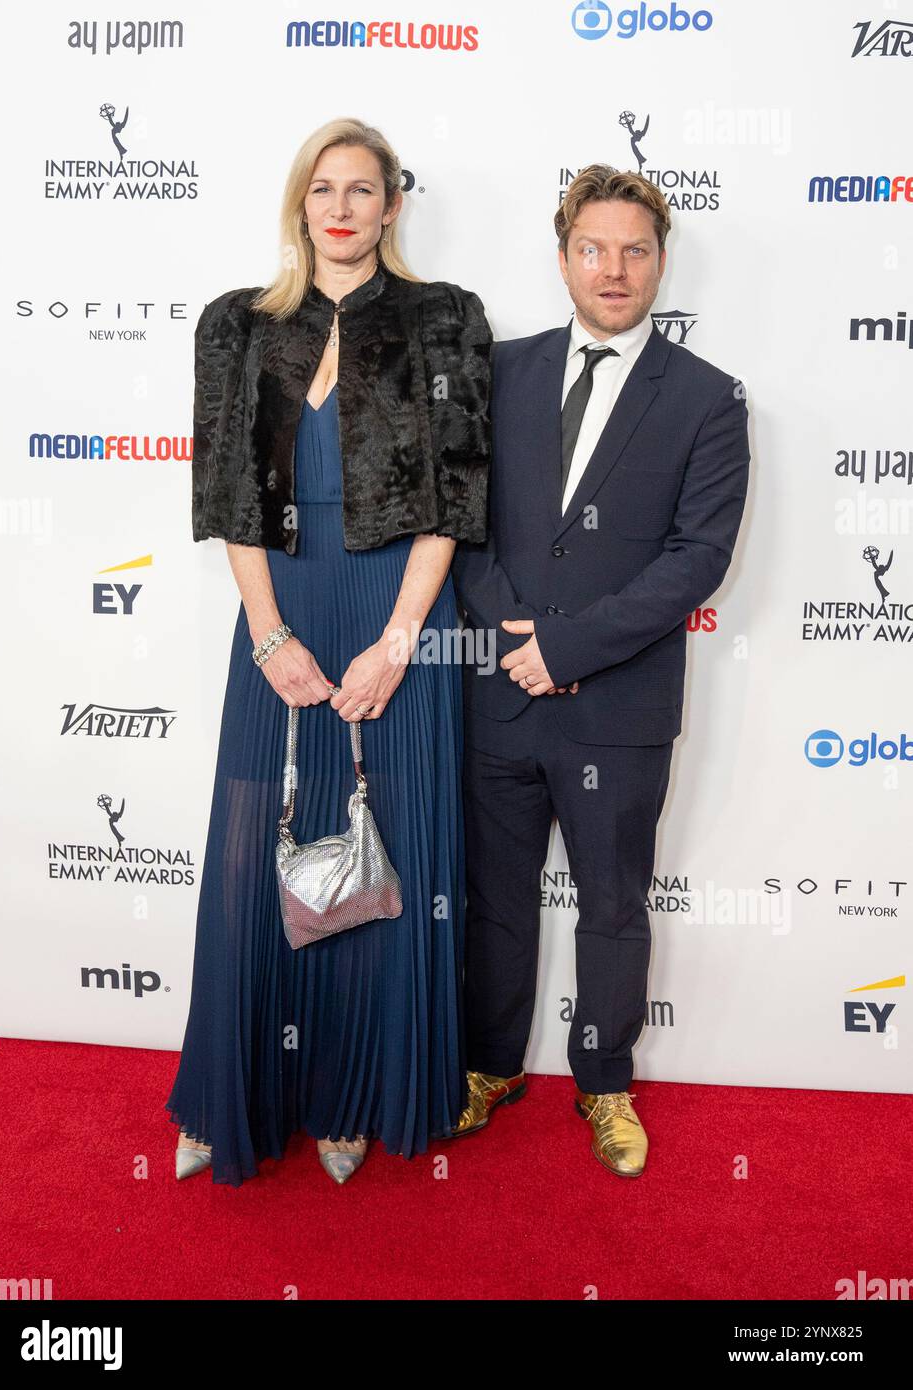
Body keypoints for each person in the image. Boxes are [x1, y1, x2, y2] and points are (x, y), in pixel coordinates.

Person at [165, 118, 492, 1185]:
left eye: (364, 189)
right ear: (299, 204)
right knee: (261, 842)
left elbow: (453, 500)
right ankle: (235, 1094)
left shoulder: (444, 319)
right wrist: (269, 636)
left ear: (393, 205)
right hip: (282, 610)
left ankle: (352, 1094)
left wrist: (399, 642)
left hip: (401, 610)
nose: (343, 207)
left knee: (382, 850)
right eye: (324, 189)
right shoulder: (238, 326)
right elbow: (229, 502)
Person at [449, 164, 750, 1177]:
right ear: (564, 255)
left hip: (616, 707)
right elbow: (466, 529)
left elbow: (695, 560)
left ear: (661, 261)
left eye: (635, 250)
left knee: (612, 901)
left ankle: (605, 1081)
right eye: (593, 248)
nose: (613, 270)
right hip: (499, 695)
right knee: (495, 895)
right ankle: (489, 1067)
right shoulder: (503, 371)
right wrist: (513, 641)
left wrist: (566, 650)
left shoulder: (709, 400)